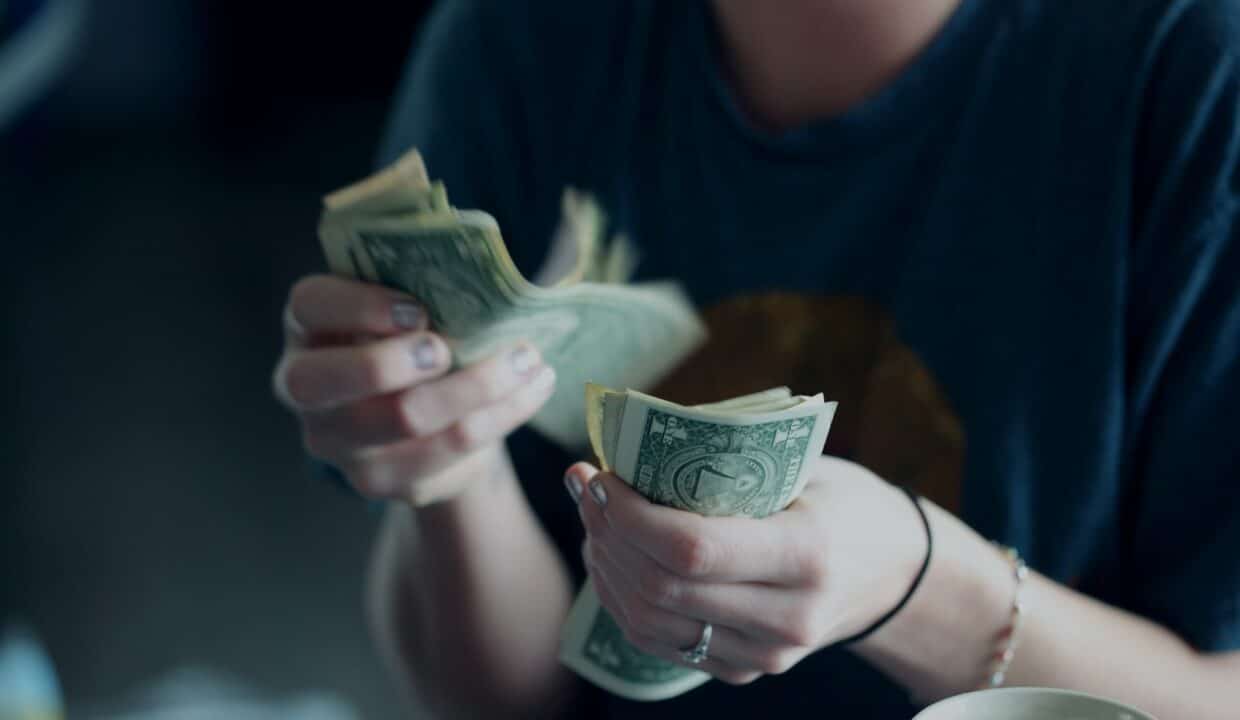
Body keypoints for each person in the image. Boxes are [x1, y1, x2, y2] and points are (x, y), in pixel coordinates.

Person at [272, 0, 1240, 717]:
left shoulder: (1193, 70)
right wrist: (450, 475)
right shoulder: (521, 34)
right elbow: (503, 703)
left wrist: (919, 587)